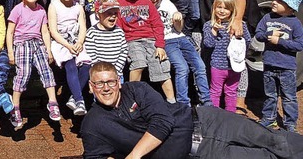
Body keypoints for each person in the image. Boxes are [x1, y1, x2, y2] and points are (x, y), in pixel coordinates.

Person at [81, 61, 303, 159]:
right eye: (99, 83)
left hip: (207, 121)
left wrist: (135, 155)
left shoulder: (137, 89)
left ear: (119, 82)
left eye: (110, 82)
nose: (105, 88)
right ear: (91, 87)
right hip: (200, 153)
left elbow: (162, 121)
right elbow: (95, 156)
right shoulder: (93, 124)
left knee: (275, 140)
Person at [144, 0, 211, 106]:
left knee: (200, 66)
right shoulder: (143, 7)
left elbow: (179, 29)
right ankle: (183, 103)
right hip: (167, 41)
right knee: (182, 68)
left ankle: (206, 100)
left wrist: (178, 18)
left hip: (180, 37)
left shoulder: (166, 3)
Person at [6, 0, 59, 129]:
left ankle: (52, 102)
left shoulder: (41, 11)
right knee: (24, 73)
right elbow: (10, 32)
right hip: (22, 44)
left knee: (47, 71)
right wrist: (10, 52)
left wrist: (48, 50)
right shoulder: (17, 10)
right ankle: (15, 107)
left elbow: (45, 32)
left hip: (37, 44)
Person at [117, 0, 175, 103]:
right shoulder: (119, 3)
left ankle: (172, 101)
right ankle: (132, 98)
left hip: (150, 40)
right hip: (131, 41)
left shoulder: (147, 3)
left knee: (161, 65)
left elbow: (157, 25)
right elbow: (118, 26)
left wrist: (160, 46)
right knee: (138, 63)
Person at [255, 0, 303, 132]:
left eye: (279, 0)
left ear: (289, 7)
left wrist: (279, 41)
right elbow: (258, 34)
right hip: (269, 64)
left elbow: (299, 45)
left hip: (287, 67)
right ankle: (269, 119)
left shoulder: (295, 23)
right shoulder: (267, 18)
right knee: (270, 94)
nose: (274, 2)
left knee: (288, 97)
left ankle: (290, 123)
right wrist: (269, 33)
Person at [48, 0, 89, 116]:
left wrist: (80, 41)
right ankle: (79, 100)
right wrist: (67, 45)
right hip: (61, 44)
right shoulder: (54, 6)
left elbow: (83, 27)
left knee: (86, 65)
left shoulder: (78, 7)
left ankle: (73, 97)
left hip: (75, 42)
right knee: (70, 64)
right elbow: (53, 31)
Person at [202, 0, 250, 112]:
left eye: (226, 8)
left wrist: (239, 38)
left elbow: (248, 41)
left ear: (232, 10)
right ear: (214, 7)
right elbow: (208, 44)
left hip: (234, 66)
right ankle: (214, 116)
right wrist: (214, 31)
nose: (222, 11)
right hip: (218, 66)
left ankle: (230, 116)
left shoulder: (239, 25)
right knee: (215, 91)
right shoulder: (209, 25)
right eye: (219, 7)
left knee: (231, 92)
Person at [83, 0, 128, 79]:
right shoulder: (92, 33)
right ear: (98, 14)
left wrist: (116, 71)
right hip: (99, 74)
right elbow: (92, 55)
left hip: (117, 73)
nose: (113, 16)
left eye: (115, 13)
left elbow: (123, 51)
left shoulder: (119, 32)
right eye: (108, 13)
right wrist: (101, 71)